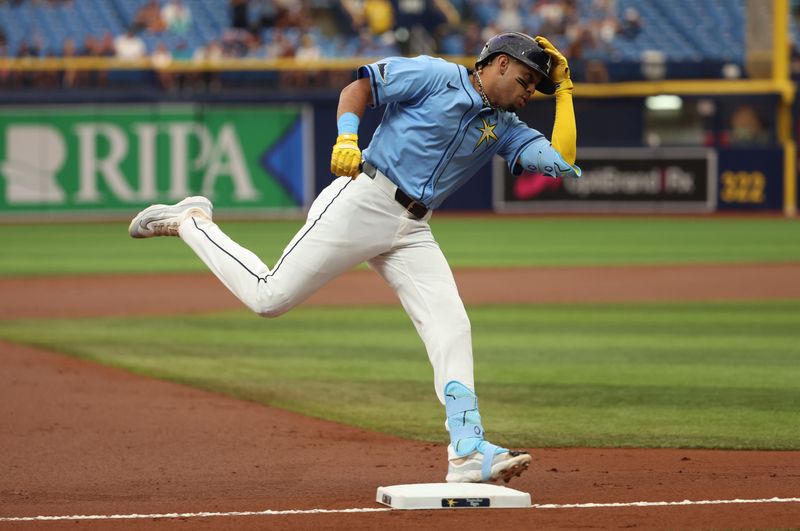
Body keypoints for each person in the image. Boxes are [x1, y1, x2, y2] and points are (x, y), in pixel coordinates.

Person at [128, 32, 580, 484]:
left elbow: (561, 162)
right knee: (269, 297)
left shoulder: (505, 125)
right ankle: (192, 220)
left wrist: (563, 91)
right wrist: (347, 136)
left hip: (413, 229)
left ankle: (466, 450)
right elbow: (359, 87)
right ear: (498, 63)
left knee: (451, 326)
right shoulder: (436, 75)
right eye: (525, 80)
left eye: (535, 88)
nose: (527, 94)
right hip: (365, 197)